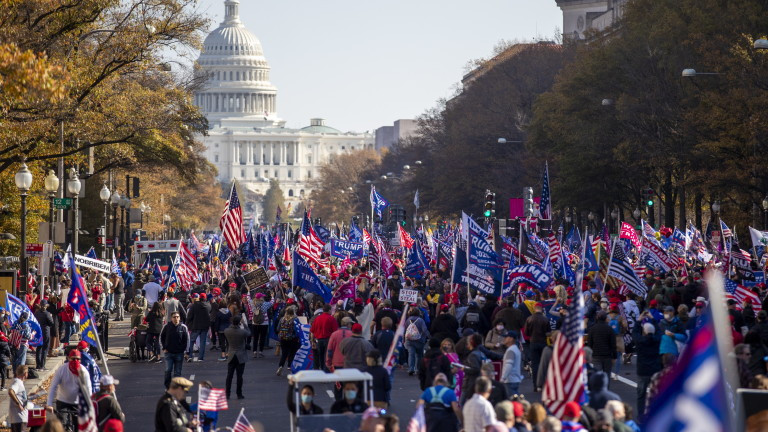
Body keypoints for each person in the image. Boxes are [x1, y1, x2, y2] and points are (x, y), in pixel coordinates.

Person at [46, 349, 92, 416]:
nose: (75, 361)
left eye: (77, 359)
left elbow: (88, 389)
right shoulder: (62, 369)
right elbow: (53, 386)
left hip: (78, 403)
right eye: (73, 359)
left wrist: (89, 405)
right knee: (62, 423)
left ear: (80, 360)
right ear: (69, 358)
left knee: (78, 425)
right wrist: (49, 404)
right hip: (63, 402)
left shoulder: (84, 372)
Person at [160, 311, 189, 389]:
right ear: (171, 318)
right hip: (169, 353)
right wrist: (163, 348)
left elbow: (187, 340)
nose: (176, 318)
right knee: (168, 370)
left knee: (177, 372)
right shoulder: (167, 326)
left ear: (179, 318)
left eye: (177, 317)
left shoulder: (183, 327)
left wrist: (186, 352)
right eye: (174, 317)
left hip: (179, 353)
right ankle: (168, 387)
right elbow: (161, 337)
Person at [524, 303, 549, 391]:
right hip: (543, 342)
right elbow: (548, 332)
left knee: (535, 365)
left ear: (535, 309)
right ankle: (543, 384)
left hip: (533, 342)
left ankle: (536, 385)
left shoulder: (529, 319)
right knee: (544, 364)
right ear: (541, 309)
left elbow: (526, 332)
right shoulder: (545, 319)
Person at [224, 315, 251, 399]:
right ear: (239, 323)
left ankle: (227, 394)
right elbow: (249, 332)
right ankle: (239, 393)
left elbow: (228, 329)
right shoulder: (242, 332)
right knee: (239, 376)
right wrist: (244, 324)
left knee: (229, 376)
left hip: (231, 354)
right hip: (241, 355)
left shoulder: (227, 331)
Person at [461, 333, 489, 404]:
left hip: (470, 384)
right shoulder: (481, 353)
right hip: (478, 382)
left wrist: (464, 369)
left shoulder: (473, 355)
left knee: (463, 404)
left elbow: (475, 369)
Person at [587, 311, 616, 376]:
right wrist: (614, 356)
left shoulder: (592, 329)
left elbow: (590, 343)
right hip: (607, 355)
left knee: (597, 376)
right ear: (605, 318)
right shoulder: (609, 329)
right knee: (607, 376)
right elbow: (613, 344)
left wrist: (589, 355)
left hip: (596, 355)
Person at [310, 303, 337, 371]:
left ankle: (321, 369)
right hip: (328, 340)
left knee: (320, 356)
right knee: (327, 356)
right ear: (329, 310)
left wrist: (312, 341)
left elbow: (312, 331)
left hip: (318, 340)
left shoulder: (317, 318)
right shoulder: (331, 319)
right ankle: (326, 370)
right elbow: (335, 332)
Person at [404, 307, 430, 376]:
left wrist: (404, 340)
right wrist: (429, 336)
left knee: (411, 354)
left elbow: (405, 330)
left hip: (409, 340)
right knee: (419, 355)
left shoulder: (408, 320)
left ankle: (411, 369)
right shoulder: (420, 320)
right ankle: (417, 369)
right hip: (419, 340)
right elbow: (424, 330)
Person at [186, 293, 212, 362]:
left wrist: (188, 324)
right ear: (205, 298)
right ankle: (201, 357)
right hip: (205, 326)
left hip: (196, 326)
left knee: (191, 341)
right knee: (202, 342)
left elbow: (189, 316)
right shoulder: (208, 305)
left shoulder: (194, 305)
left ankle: (190, 355)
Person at [276, 306, 300, 376]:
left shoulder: (282, 319)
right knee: (292, 353)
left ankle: (280, 366)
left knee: (284, 354)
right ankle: (289, 366)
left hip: (283, 338)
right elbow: (297, 330)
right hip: (292, 339)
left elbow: (278, 328)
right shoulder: (295, 319)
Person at [501, 330, 523, 396]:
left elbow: (508, 365)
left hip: (510, 380)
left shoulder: (510, 350)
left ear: (511, 339)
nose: (504, 339)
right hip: (515, 379)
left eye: (506, 337)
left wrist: (503, 378)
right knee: (515, 399)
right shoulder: (515, 349)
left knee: (511, 401)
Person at [34, 301, 54, 371]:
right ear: (46, 306)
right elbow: (51, 323)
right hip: (45, 331)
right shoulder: (47, 314)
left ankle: (38, 365)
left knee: (39, 348)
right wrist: (51, 317)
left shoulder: (37, 313)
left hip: (39, 332)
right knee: (45, 348)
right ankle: (42, 365)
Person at [9, 365, 28, 432]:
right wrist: (18, 403)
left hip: (18, 418)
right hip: (19, 418)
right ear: (25, 374)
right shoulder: (17, 382)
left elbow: (19, 396)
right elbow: (11, 391)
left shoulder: (17, 381)